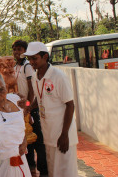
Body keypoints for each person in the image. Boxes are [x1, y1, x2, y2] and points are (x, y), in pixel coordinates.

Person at [23, 42, 78, 177]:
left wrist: (64, 134)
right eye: (29, 59)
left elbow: (70, 105)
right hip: (48, 134)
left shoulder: (59, 77)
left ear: (45, 57)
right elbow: (39, 98)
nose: (31, 62)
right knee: (54, 171)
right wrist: (29, 107)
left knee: (67, 172)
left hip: (63, 135)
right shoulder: (36, 77)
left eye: (34, 58)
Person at [0, 72, 31, 177]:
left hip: (22, 161)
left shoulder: (14, 99)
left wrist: (26, 103)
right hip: (2, 167)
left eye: (1, 90)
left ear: (6, 88)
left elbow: (28, 105)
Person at [12, 39, 48, 176]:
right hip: (22, 108)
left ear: (25, 52)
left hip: (30, 107)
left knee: (38, 140)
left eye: (20, 50)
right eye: (15, 49)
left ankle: (43, 171)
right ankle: (31, 168)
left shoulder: (27, 66)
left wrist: (28, 105)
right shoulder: (16, 66)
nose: (16, 52)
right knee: (27, 140)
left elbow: (31, 89)